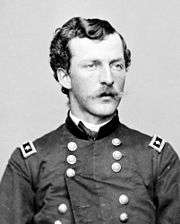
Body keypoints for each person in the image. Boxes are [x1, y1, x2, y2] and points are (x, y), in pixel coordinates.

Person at [0, 17, 179, 224]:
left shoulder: (157, 159)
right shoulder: (29, 163)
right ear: (64, 77)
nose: (108, 78)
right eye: (92, 65)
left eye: (117, 65)